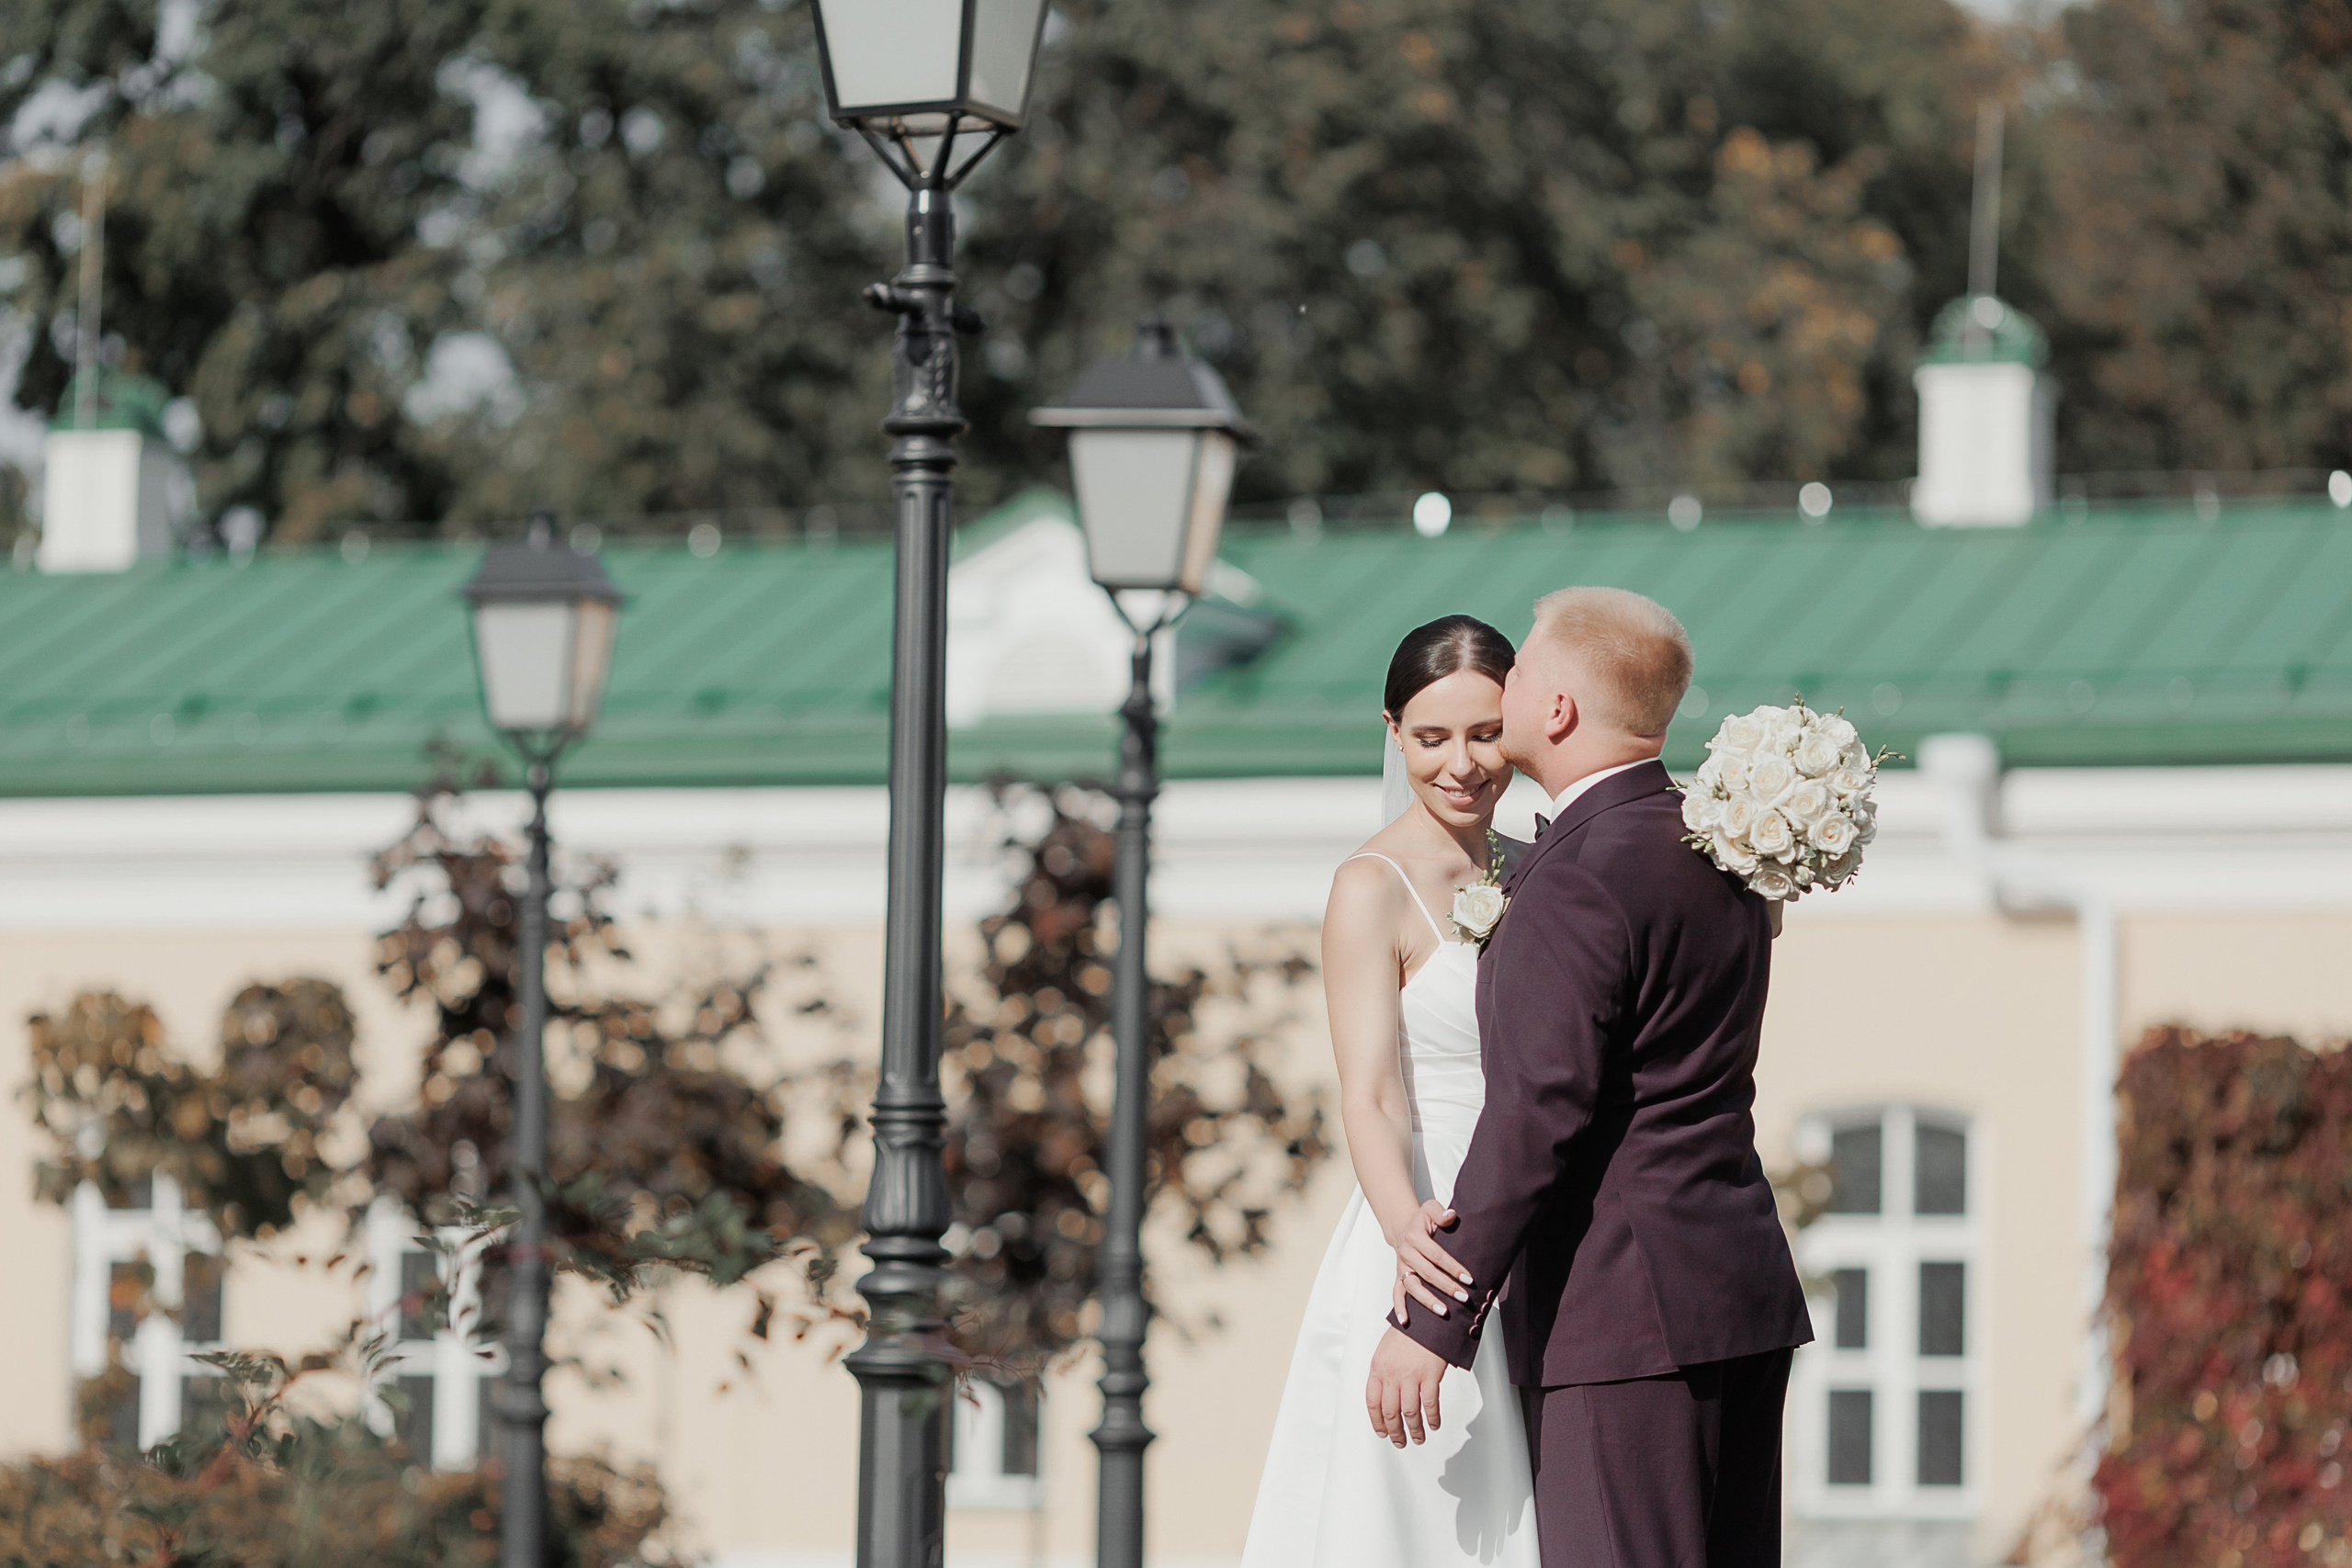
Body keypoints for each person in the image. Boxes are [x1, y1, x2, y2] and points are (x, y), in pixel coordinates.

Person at [1363, 586, 1815, 1568]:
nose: (1506, 686)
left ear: (1558, 709)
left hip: (1623, 1322)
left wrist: (1433, 1322)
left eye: (1520, 670)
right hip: (1740, 1297)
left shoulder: (1574, 876)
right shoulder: (1719, 847)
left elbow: (1537, 1112)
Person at [1239, 615, 1541, 1568]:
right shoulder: (1370, 887)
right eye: (1432, 736)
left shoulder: (1541, 864)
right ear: (1393, 732)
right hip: (1430, 1218)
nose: (1462, 764)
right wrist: (1408, 1232)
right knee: (1420, 1510)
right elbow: (1368, 1091)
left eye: (1485, 733)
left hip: (1539, 1215)